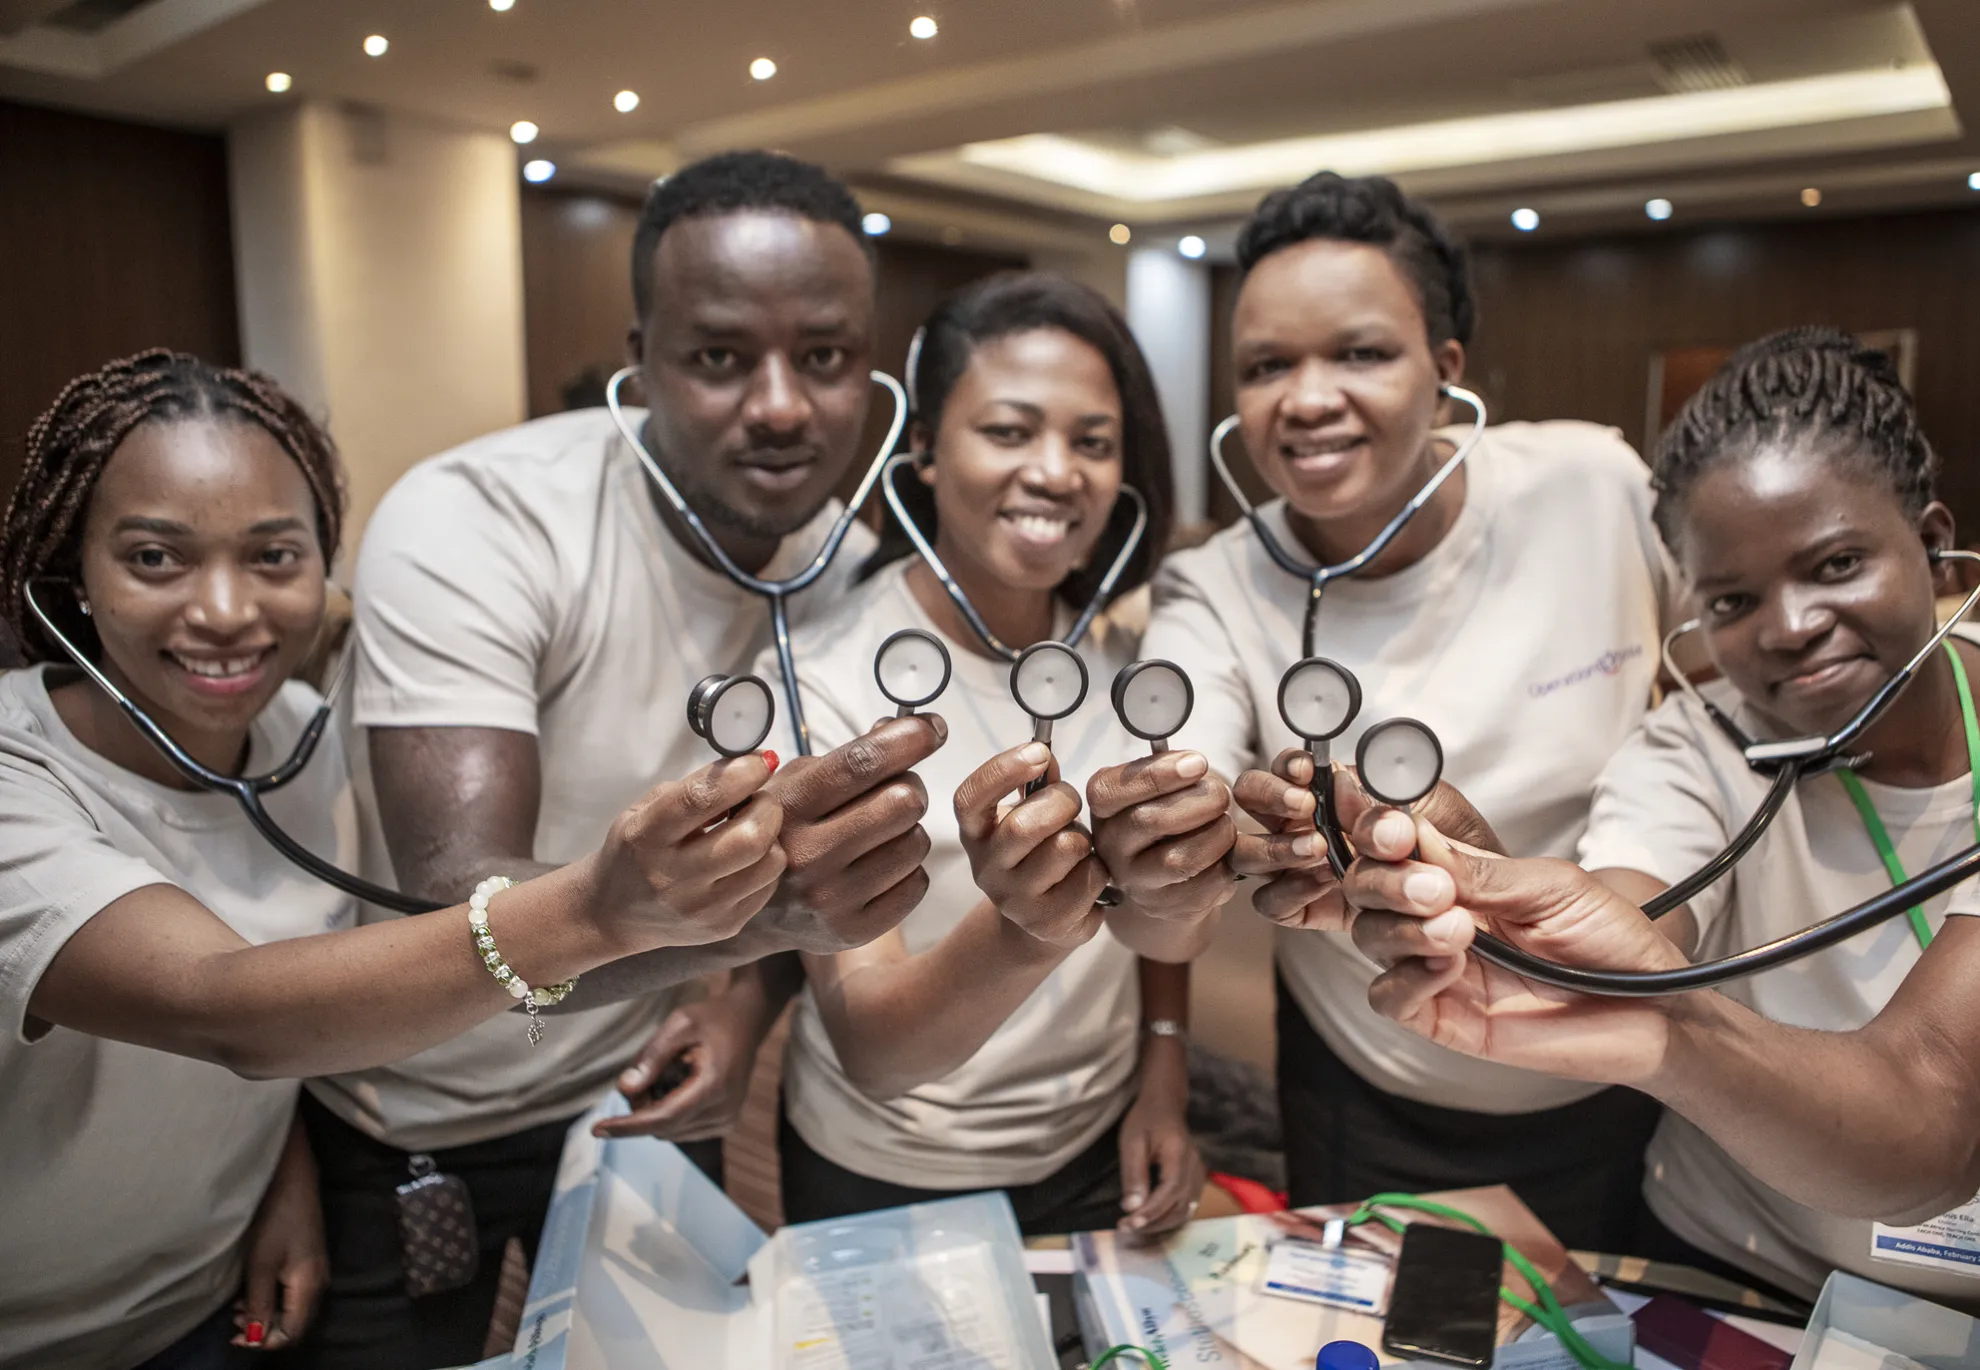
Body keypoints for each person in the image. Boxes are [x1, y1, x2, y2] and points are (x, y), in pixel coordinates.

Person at [0, 352, 787, 1370]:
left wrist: (284, 1174)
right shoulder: (20, 778)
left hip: (207, 1291)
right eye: (156, 558)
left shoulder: (301, 735)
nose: (228, 608)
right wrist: (603, 905)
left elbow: (297, 982)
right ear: (75, 572)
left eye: (274, 555)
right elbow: (219, 1000)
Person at [295, 152, 945, 1369]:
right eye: (717, 357)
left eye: (825, 356)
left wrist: (741, 1000)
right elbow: (463, 888)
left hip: (640, 1097)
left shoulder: (845, 561)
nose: (782, 406)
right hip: (403, 1107)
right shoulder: (478, 518)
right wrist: (758, 935)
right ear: (637, 362)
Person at [1346, 329, 1980, 1328]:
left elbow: (1932, 1114)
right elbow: (1634, 910)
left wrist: (1665, 1021)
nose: (1788, 624)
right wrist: (1512, 918)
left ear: (1933, 539)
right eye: (1732, 598)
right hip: (1731, 1265)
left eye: (1837, 562)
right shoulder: (1694, 740)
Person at [1095, 171, 1689, 1251]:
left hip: (1615, 1058)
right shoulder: (1218, 584)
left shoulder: (1589, 486)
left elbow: (1723, 690)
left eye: (1358, 353)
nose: (1307, 397)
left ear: (1446, 368)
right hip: (1367, 1073)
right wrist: (1157, 851)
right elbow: (1163, 874)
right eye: (1266, 366)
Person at [769, 273, 1212, 1236]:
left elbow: (1152, 901)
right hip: (888, 1168)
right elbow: (873, 1049)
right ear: (923, 448)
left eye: (1092, 441)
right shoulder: (824, 682)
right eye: (1009, 431)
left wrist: (1164, 1068)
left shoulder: (1133, 660)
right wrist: (1026, 926)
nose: (1057, 472)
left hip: (1095, 1142)